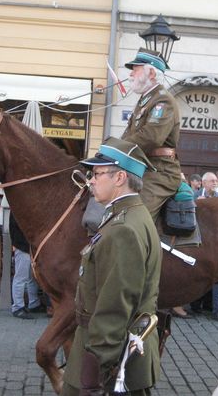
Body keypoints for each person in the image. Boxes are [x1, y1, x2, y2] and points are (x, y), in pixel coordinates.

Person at [62, 137, 161, 396]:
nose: (91, 180)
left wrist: (93, 375)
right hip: (117, 352)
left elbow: (115, 306)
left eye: (96, 173)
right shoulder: (129, 216)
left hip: (108, 358)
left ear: (119, 178)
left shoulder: (123, 229)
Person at [121, 48, 181, 222]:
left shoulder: (163, 100)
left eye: (136, 68)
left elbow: (151, 137)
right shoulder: (146, 100)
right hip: (141, 168)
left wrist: (115, 149)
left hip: (159, 172)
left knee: (133, 219)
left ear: (152, 73)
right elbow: (129, 135)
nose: (131, 74)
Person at [9, 212, 43, 319]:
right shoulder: (17, 210)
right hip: (24, 245)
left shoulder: (16, 208)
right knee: (22, 277)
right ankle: (18, 307)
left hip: (25, 245)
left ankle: (33, 303)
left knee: (30, 277)